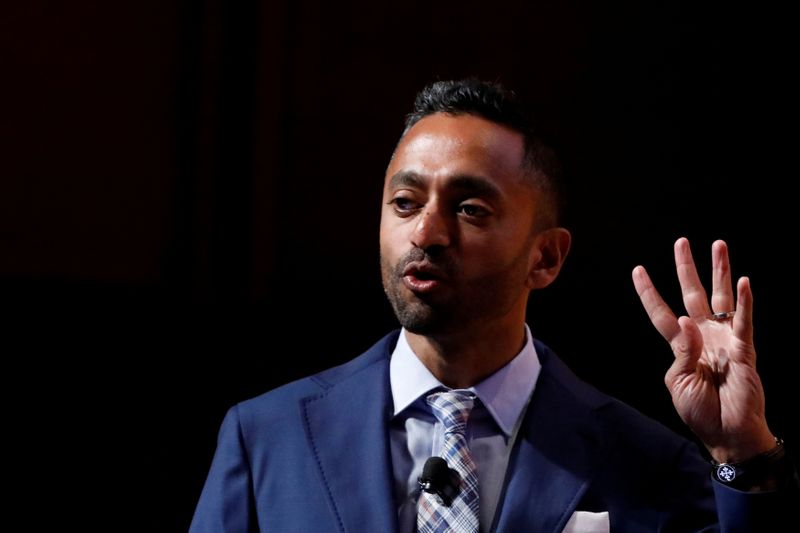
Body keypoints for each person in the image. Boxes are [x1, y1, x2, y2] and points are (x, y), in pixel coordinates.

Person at [190, 79, 797, 532]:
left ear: (547, 259)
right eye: (404, 202)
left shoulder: (644, 459)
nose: (426, 233)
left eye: (470, 209)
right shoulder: (267, 436)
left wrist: (742, 452)